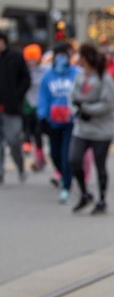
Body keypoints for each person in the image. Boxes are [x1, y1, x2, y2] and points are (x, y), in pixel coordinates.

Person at [69, 42, 114, 214]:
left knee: (100, 165)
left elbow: (108, 102)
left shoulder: (105, 77)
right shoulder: (80, 77)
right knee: (74, 160)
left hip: (101, 129)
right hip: (82, 128)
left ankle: (102, 199)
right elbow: (73, 97)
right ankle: (84, 193)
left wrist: (88, 109)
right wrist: (76, 110)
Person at [37, 42, 79, 203]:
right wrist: (42, 117)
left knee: (65, 154)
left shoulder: (76, 73)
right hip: (53, 121)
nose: (62, 58)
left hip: (71, 121)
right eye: (59, 54)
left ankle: (66, 186)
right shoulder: (47, 76)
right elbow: (43, 98)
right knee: (54, 154)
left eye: (65, 54)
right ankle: (64, 175)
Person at [0, 32, 31, 185]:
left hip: (12, 108)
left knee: (13, 141)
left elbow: (26, 79)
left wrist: (17, 96)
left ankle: (20, 167)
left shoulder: (16, 57)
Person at [22, 43, 49, 172]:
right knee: (28, 130)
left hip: (41, 105)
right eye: (28, 59)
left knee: (38, 133)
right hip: (28, 104)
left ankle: (40, 158)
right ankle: (31, 150)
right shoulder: (23, 71)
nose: (31, 61)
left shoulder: (45, 70)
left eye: (33, 58)